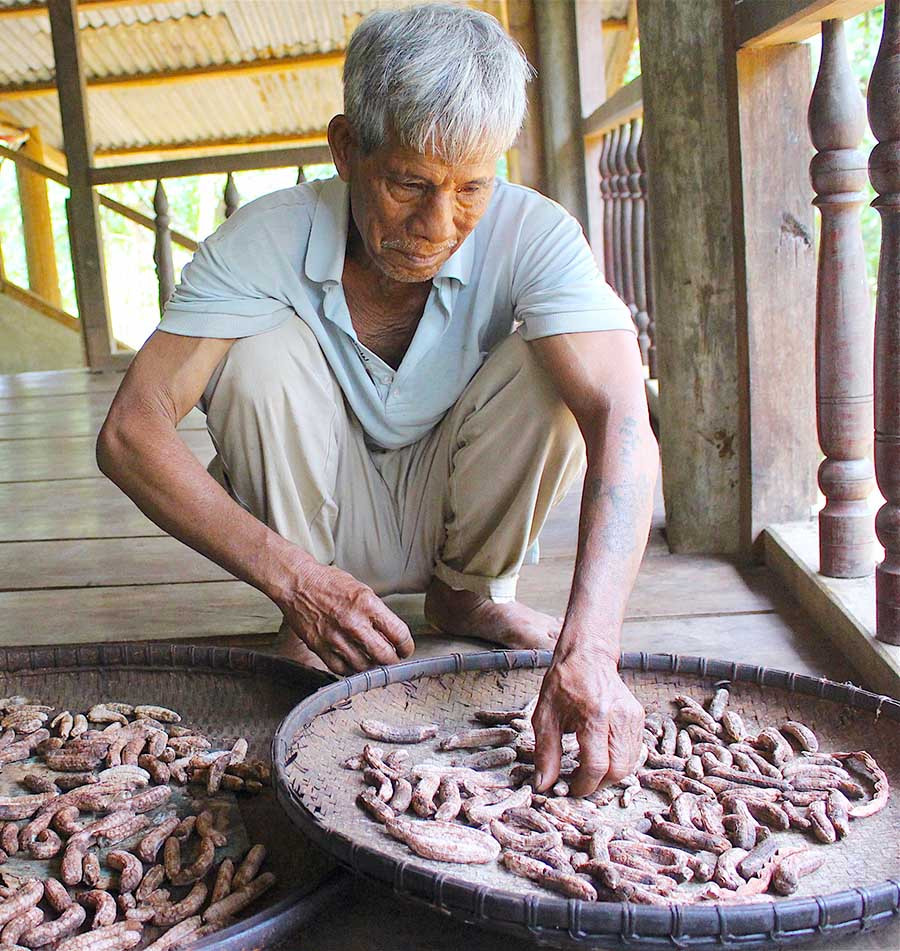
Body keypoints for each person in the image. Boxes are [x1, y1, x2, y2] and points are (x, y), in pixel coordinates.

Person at [97, 3, 658, 796]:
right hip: (315, 538)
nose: (438, 224)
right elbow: (129, 432)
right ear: (346, 148)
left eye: (471, 188)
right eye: (409, 183)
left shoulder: (535, 233)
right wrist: (294, 580)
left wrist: (592, 646)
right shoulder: (261, 239)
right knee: (259, 356)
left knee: (562, 379)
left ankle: (466, 595)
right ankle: (312, 622)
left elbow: (623, 420)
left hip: (453, 502)